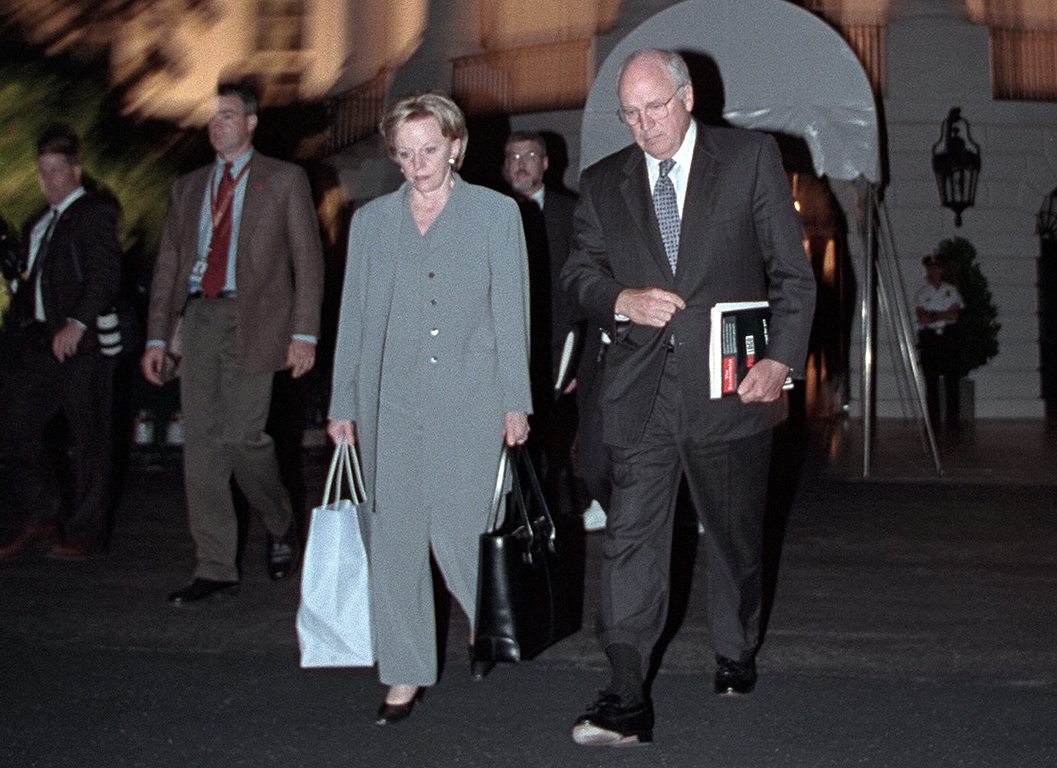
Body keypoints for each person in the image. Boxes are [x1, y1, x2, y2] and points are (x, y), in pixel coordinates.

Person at [561, 47, 816, 745]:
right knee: (630, 541)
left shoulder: (750, 157)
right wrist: (620, 298)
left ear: (688, 97)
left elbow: (793, 275)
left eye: (657, 108)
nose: (645, 126)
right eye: (631, 114)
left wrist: (780, 360)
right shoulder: (604, 181)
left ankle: (735, 646)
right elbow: (579, 272)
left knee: (734, 539)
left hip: (730, 388)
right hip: (640, 393)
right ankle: (624, 694)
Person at [326, 92, 532, 725]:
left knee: (458, 532)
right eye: (406, 154)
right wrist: (342, 403)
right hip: (391, 405)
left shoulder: (497, 215)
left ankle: (488, 622)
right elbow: (354, 320)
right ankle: (404, 672)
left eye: (430, 151)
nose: (419, 165)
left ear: (456, 147)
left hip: (471, 400)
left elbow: (510, 315)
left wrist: (516, 402)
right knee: (396, 540)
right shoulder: (372, 223)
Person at [141, 82, 324, 605]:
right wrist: (159, 334)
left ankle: (280, 519)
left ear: (250, 122)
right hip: (199, 316)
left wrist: (303, 333)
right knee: (201, 447)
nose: (216, 124)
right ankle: (215, 565)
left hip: (258, 318)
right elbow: (170, 265)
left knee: (245, 436)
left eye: (227, 115)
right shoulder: (189, 187)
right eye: (211, 117)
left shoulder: (284, 180)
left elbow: (307, 263)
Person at [0, 126, 122, 560]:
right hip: (43, 342)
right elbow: (34, 282)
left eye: (56, 171)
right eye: (42, 172)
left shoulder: (93, 212)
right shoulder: (37, 222)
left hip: (82, 345)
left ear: (75, 171)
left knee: (89, 438)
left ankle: (87, 532)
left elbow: (105, 274)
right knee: (15, 422)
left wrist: (78, 322)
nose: (48, 180)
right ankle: (42, 513)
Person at [501, 130, 600, 521]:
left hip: (559, 355)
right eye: (512, 156)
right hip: (505, 354)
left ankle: (540, 521)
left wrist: (577, 360)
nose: (520, 163)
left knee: (549, 446)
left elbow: (585, 291)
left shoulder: (570, 213)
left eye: (528, 156)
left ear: (545, 163)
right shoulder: (490, 211)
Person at [913, 253, 964, 433]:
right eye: (931, 268)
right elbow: (922, 317)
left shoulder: (952, 291)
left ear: (943, 270)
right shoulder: (922, 293)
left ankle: (952, 421)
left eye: (938, 267)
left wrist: (933, 315)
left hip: (948, 336)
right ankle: (933, 423)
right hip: (929, 338)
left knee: (952, 379)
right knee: (931, 379)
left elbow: (955, 314)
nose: (934, 271)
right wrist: (943, 315)